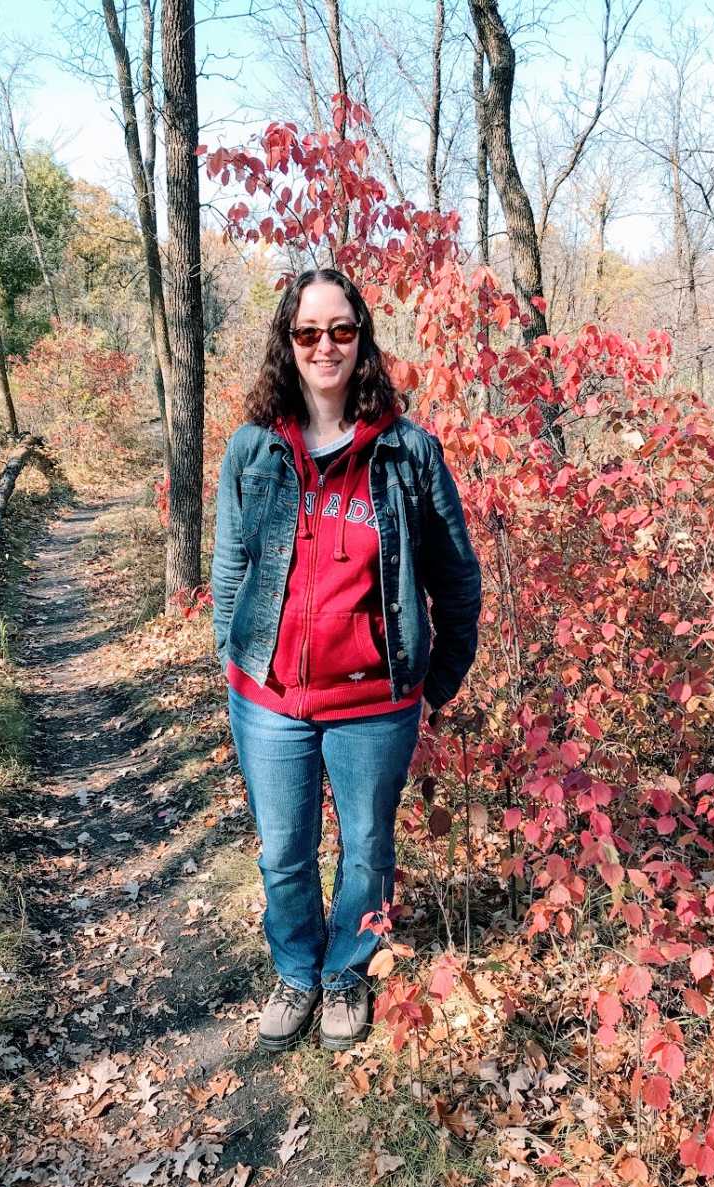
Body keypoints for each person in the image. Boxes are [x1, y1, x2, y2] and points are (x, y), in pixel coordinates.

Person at [211, 267, 482, 1052]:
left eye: (340, 330)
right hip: (269, 702)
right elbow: (231, 572)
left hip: (375, 706)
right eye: (307, 332)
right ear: (287, 344)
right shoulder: (253, 450)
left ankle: (345, 974)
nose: (324, 346)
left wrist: (435, 684)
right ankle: (297, 969)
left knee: (366, 847)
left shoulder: (409, 453)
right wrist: (239, 661)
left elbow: (456, 580)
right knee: (285, 852)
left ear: (362, 338)